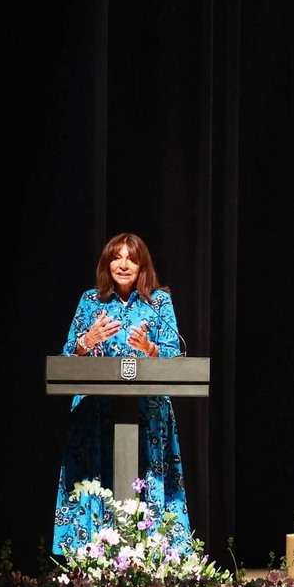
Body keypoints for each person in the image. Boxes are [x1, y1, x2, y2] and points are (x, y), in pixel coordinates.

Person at [55, 232, 189, 555]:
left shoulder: (159, 304)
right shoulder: (90, 302)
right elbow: (65, 361)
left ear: (142, 264)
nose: (124, 264)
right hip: (95, 416)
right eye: (117, 257)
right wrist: (87, 341)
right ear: (107, 264)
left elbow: (177, 356)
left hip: (149, 417)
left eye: (132, 257)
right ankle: (91, 559)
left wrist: (151, 348)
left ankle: (153, 558)